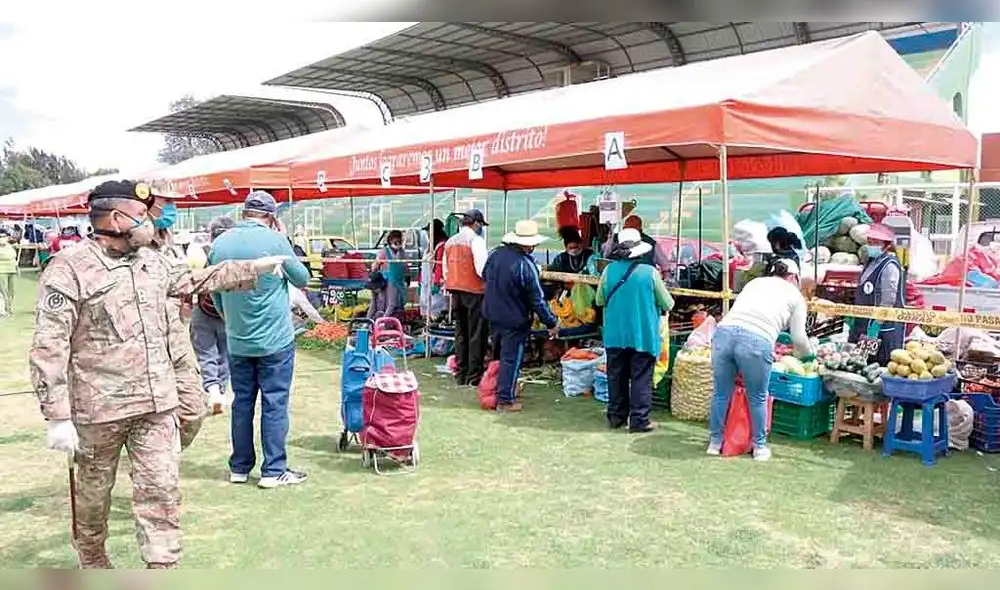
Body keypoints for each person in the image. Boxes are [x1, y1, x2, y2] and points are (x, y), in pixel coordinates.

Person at [29, 180, 284, 569]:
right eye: (141, 214)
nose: (148, 221)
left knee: (162, 491)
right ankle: (93, 559)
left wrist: (253, 268)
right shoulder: (69, 269)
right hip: (100, 411)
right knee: (93, 498)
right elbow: (49, 345)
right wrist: (57, 416)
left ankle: (163, 568)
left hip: (157, 404)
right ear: (116, 218)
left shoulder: (152, 260)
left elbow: (193, 280)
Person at [209, 190, 312, 489]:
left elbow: (213, 290)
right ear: (271, 216)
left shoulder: (220, 243)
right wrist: (283, 239)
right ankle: (273, 470)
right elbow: (302, 278)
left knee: (242, 403)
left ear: (244, 212)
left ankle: (239, 467)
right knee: (274, 403)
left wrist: (228, 318)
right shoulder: (275, 240)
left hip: (238, 338)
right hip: (274, 339)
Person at [707, 258, 815, 461]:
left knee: (721, 393)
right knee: (757, 396)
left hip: (724, 334)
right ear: (793, 276)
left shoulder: (754, 283)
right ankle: (759, 447)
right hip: (756, 340)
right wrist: (809, 356)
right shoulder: (795, 296)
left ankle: (715, 443)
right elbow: (799, 338)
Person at [596, 228, 675, 433]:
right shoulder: (650, 273)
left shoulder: (608, 271)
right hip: (643, 334)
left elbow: (599, 300)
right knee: (641, 377)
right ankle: (639, 419)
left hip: (615, 333)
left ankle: (616, 416)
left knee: (616, 376)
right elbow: (667, 304)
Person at [482, 220, 559, 412]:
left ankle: (500, 390)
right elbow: (537, 300)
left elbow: (484, 275)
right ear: (529, 243)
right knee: (511, 359)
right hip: (514, 319)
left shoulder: (495, 255)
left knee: (498, 355)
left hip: (493, 313)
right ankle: (505, 399)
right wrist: (551, 322)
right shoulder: (525, 264)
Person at [190, 216, 237, 415]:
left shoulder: (200, 253)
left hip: (203, 310)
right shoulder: (236, 255)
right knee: (225, 353)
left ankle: (213, 390)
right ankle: (223, 390)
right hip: (227, 312)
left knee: (206, 353)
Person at [443, 209, 490, 386]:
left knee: (461, 334)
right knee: (477, 335)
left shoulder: (450, 242)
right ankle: (473, 376)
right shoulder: (476, 241)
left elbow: (446, 270)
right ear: (476, 223)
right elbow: (481, 269)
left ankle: (461, 373)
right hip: (475, 292)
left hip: (456, 291)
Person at [848, 223, 903, 366]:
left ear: (885, 245)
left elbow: (888, 299)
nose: (871, 245)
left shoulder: (889, 266)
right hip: (863, 323)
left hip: (878, 327)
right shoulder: (871, 261)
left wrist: (877, 324)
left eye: (875, 242)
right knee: (860, 363)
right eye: (870, 241)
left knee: (875, 365)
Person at [368, 229, 409, 321]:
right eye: (396, 241)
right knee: (388, 304)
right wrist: (374, 275)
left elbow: (405, 265)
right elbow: (375, 266)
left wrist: (407, 276)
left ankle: (387, 321)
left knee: (397, 303)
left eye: (400, 241)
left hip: (399, 281)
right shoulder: (384, 252)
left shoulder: (401, 252)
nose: (398, 243)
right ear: (390, 241)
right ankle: (377, 321)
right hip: (388, 281)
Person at [420, 219, 448, 320]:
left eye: (428, 232)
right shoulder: (430, 246)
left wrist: (436, 283)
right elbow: (423, 265)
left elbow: (440, 265)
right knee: (426, 308)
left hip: (435, 283)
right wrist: (420, 280)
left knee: (435, 309)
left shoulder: (441, 246)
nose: (427, 234)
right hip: (426, 282)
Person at [0, 228, 17, 317]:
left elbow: (13, 257)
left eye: (4, 236)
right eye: (0, 236)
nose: (2, 238)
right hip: (1, 270)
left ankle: (9, 308)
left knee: (11, 291)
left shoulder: (10, 246)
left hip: (11, 269)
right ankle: (4, 309)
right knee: (3, 290)